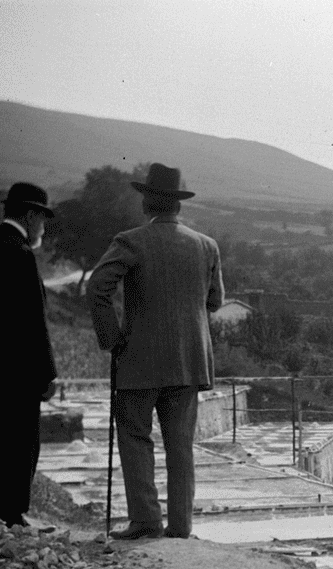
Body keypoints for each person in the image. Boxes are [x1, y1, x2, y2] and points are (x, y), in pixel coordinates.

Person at [87, 163, 223, 540]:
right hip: (189, 361)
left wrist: (112, 338)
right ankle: (180, 527)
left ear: (148, 200)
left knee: (134, 436)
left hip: (138, 360)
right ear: (177, 204)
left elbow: (97, 289)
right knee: (180, 445)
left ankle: (146, 521)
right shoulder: (206, 245)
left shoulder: (130, 241)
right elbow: (215, 301)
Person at [0, 183, 57, 528]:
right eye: (43, 219)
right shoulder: (20, 253)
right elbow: (34, 321)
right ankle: (13, 512)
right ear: (31, 216)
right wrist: (47, 373)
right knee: (20, 441)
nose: (43, 228)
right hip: (17, 369)